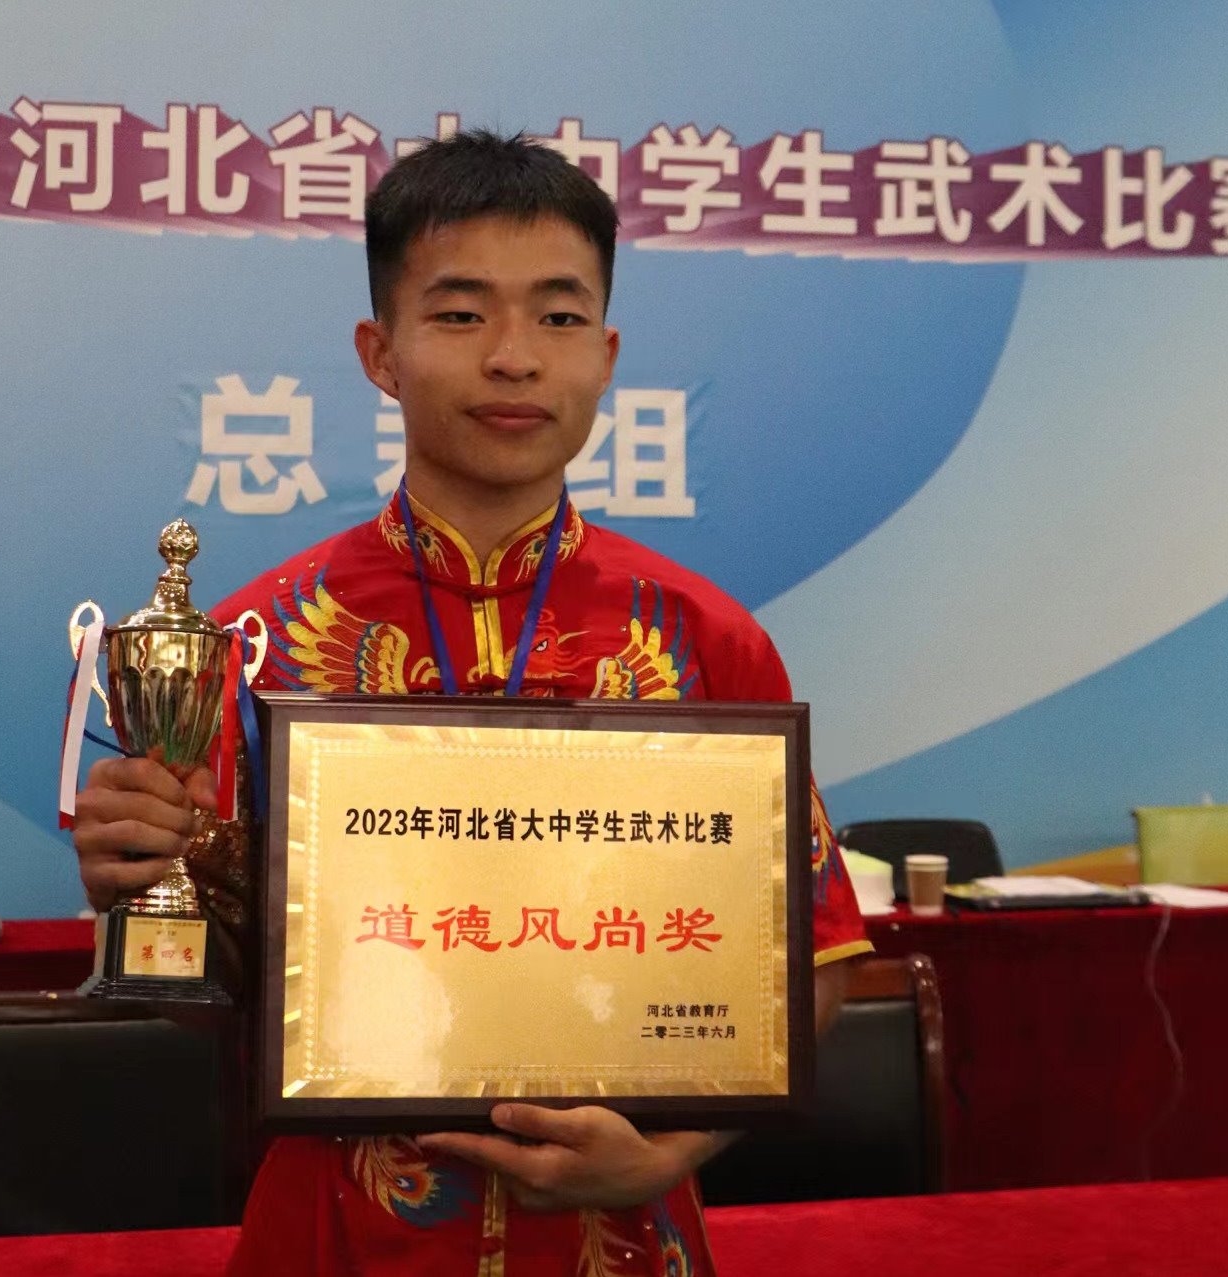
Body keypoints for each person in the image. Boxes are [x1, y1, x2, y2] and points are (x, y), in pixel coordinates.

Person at [71, 130, 872, 1277]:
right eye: (459, 313)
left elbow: (816, 959)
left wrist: (670, 1151)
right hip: (340, 1235)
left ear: (606, 353)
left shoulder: (701, 637)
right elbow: (211, 996)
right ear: (381, 352)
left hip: (625, 1231)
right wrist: (143, 884)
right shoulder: (251, 642)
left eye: (558, 315)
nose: (514, 357)